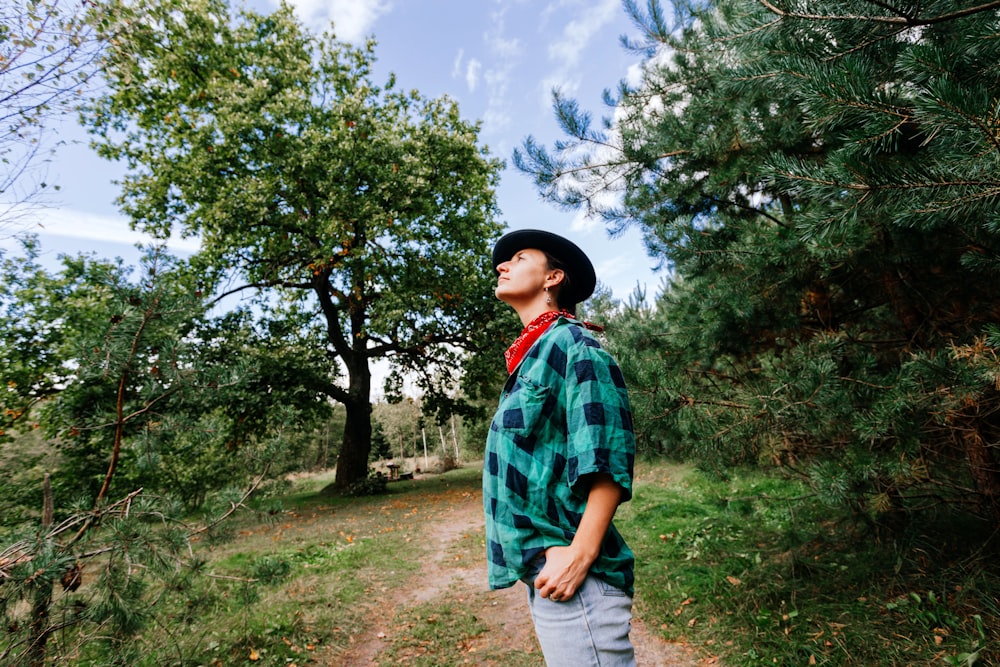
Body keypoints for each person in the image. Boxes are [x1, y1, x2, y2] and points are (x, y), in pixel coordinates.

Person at [482, 228, 637, 666]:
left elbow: (607, 458)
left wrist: (579, 555)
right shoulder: (532, 356)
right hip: (549, 571)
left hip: (577, 576)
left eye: (520, 257)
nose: (502, 265)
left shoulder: (574, 345)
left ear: (553, 278)